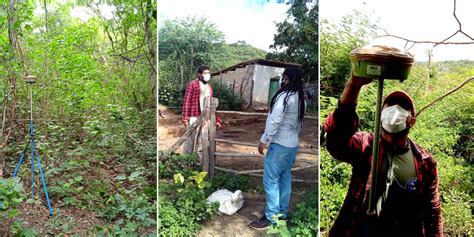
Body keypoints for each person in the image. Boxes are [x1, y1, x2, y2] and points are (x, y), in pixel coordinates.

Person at [323, 74, 443, 236]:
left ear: (412, 121)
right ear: (381, 115)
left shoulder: (425, 162)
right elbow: (336, 144)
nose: (395, 110)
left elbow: (432, 212)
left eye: (402, 107)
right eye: (390, 105)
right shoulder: (365, 144)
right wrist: (353, 86)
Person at [249, 66, 306, 230]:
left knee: (271, 181)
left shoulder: (284, 97)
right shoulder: (300, 98)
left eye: (284, 78)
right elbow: (299, 124)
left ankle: (271, 217)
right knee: (284, 179)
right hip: (292, 145)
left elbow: (274, 121)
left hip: (279, 145)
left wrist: (264, 140)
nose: (283, 80)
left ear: (287, 78)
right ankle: (282, 214)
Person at [182, 66, 213, 156]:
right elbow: (187, 100)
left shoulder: (209, 87)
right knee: (190, 140)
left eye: (208, 73)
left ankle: (199, 162)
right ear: (199, 74)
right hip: (194, 116)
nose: (207, 75)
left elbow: (211, 104)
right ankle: (186, 161)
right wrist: (185, 117)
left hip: (205, 118)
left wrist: (213, 118)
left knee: (202, 140)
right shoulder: (193, 84)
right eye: (205, 73)